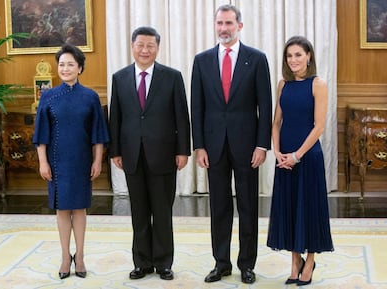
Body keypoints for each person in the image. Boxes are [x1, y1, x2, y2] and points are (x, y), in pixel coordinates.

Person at [191, 4, 272, 284]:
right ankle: (221, 263)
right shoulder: (201, 61)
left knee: (248, 206)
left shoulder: (257, 59)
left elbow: (265, 105)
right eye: (219, 23)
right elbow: (197, 107)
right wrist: (199, 146)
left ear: (239, 25)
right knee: (219, 207)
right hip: (213, 147)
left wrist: (262, 145)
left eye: (228, 23)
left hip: (248, 146)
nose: (223, 28)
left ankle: (247, 264)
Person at [109, 26, 191, 281]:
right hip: (132, 154)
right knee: (139, 211)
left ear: (157, 48)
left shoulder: (172, 77)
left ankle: (164, 262)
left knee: (162, 211)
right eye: (140, 45)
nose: (145, 50)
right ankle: (142, 262)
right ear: (132, 47)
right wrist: (116, 151)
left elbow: (181, 116)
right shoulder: (120, 78)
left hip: (164, 155)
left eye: (150, 46)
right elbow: (116, 118)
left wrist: (183, 151)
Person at [33, 44, 109, 279]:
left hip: (82, 160)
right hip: (57, 161)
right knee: (62, 208)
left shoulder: (90, 97)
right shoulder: (47, 96)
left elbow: (98, 134)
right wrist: (43, 162)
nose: (65, 68)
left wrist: (97, 161)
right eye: (61, 64)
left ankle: (81, 256)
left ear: (80, 68)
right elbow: (40, 135)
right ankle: (66, 257)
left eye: (70, 64)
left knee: (80, 208)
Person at [266, 35, 334, 286]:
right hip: (284, 158)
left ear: (309, 56)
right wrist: (278, 151)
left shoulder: (318, 84)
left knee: (308, 208)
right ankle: (295, 262)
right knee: (290, 208)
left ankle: (310, 260)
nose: (293, 59)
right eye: (289, 55)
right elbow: (276, 123)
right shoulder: (283, 84)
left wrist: (297, 155)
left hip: (307, 157)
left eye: (298, 54)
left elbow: (319, 127)